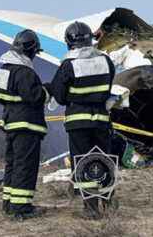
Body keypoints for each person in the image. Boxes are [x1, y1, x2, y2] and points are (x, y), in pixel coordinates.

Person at [46, 21, 116, 220]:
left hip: (78, 123)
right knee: (104, 160)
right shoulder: (105, 61)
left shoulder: (68, 65)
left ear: (69, 42)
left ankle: (92, 209)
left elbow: (59, 96)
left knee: (84, 163)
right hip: (101, 120)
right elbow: (108, 88)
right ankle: (109, 201)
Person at [0, 30, 49, 220]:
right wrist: (47, 90)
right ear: (31, 51)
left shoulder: (4, 69)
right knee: (25, 165)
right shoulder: (25, 72)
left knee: (13, 164)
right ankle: (21, 208)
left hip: (10, 124)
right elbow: (36, 97)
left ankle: (9, 204)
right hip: (27, 126)